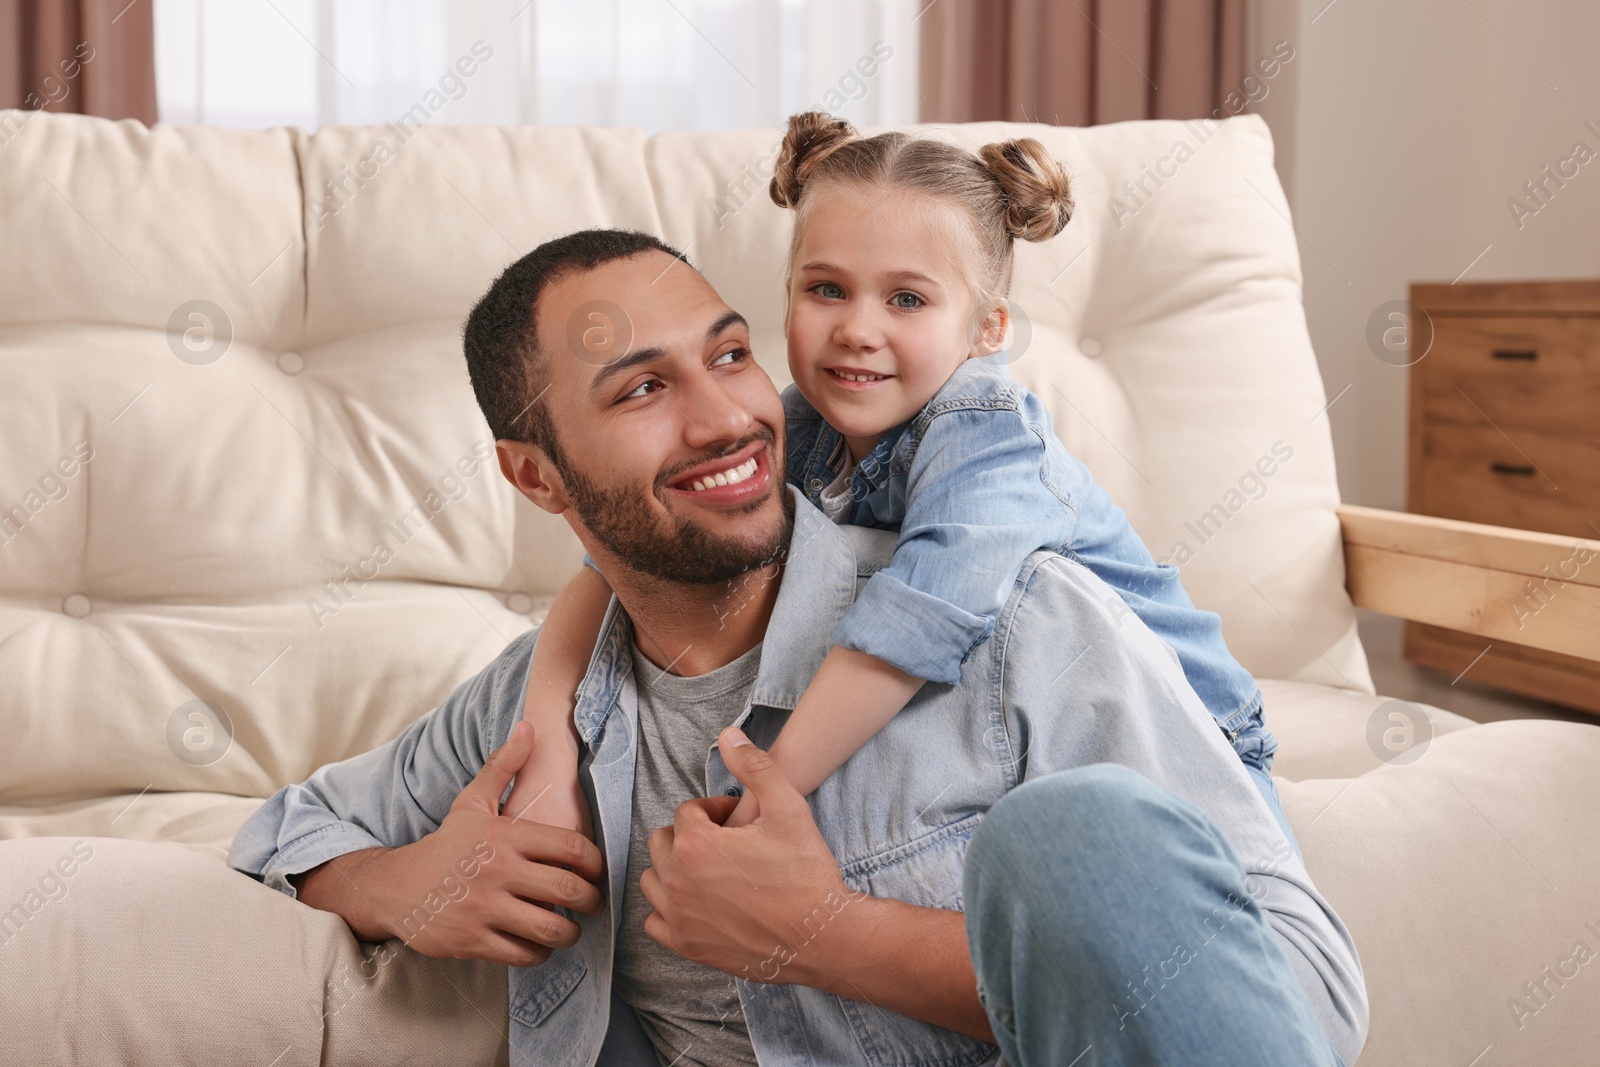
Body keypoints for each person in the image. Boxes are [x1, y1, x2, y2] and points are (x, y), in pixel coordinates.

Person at [228, 227, 1367, 1067]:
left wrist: (828, 936)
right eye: (642, 389)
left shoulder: (1016, 618)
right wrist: (403, 884)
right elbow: (285, 831)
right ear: (537, 475)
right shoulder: (535, 720)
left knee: (1074, 833)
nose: (726, 417)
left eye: (729, 357)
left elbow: (1296, 1002)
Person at [503, 113, 1294, 852]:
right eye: (826, 289)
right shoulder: (802, 424)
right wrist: (545, 738)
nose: (857, 327)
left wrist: (766, 796)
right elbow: (610, 562)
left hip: (1189, 743)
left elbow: (917, 622)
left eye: (907, 299)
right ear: (787, 298)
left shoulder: (987, 433)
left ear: (987, 329)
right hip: (1015, 751)